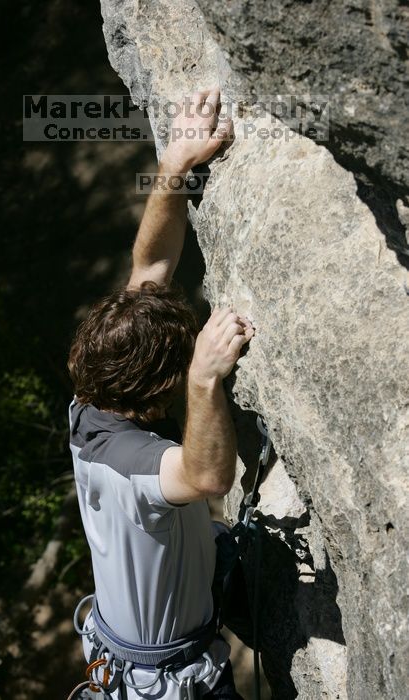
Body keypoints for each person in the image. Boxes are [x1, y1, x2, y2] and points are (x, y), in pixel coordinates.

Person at [67, 88, 253, 699]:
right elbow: (205, 478)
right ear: (159, 392)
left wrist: (174, 165)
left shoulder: (90, 402)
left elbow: (149, 270)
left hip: (127, 654)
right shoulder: (135, 471)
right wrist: (203, 377)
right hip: (169, 683)